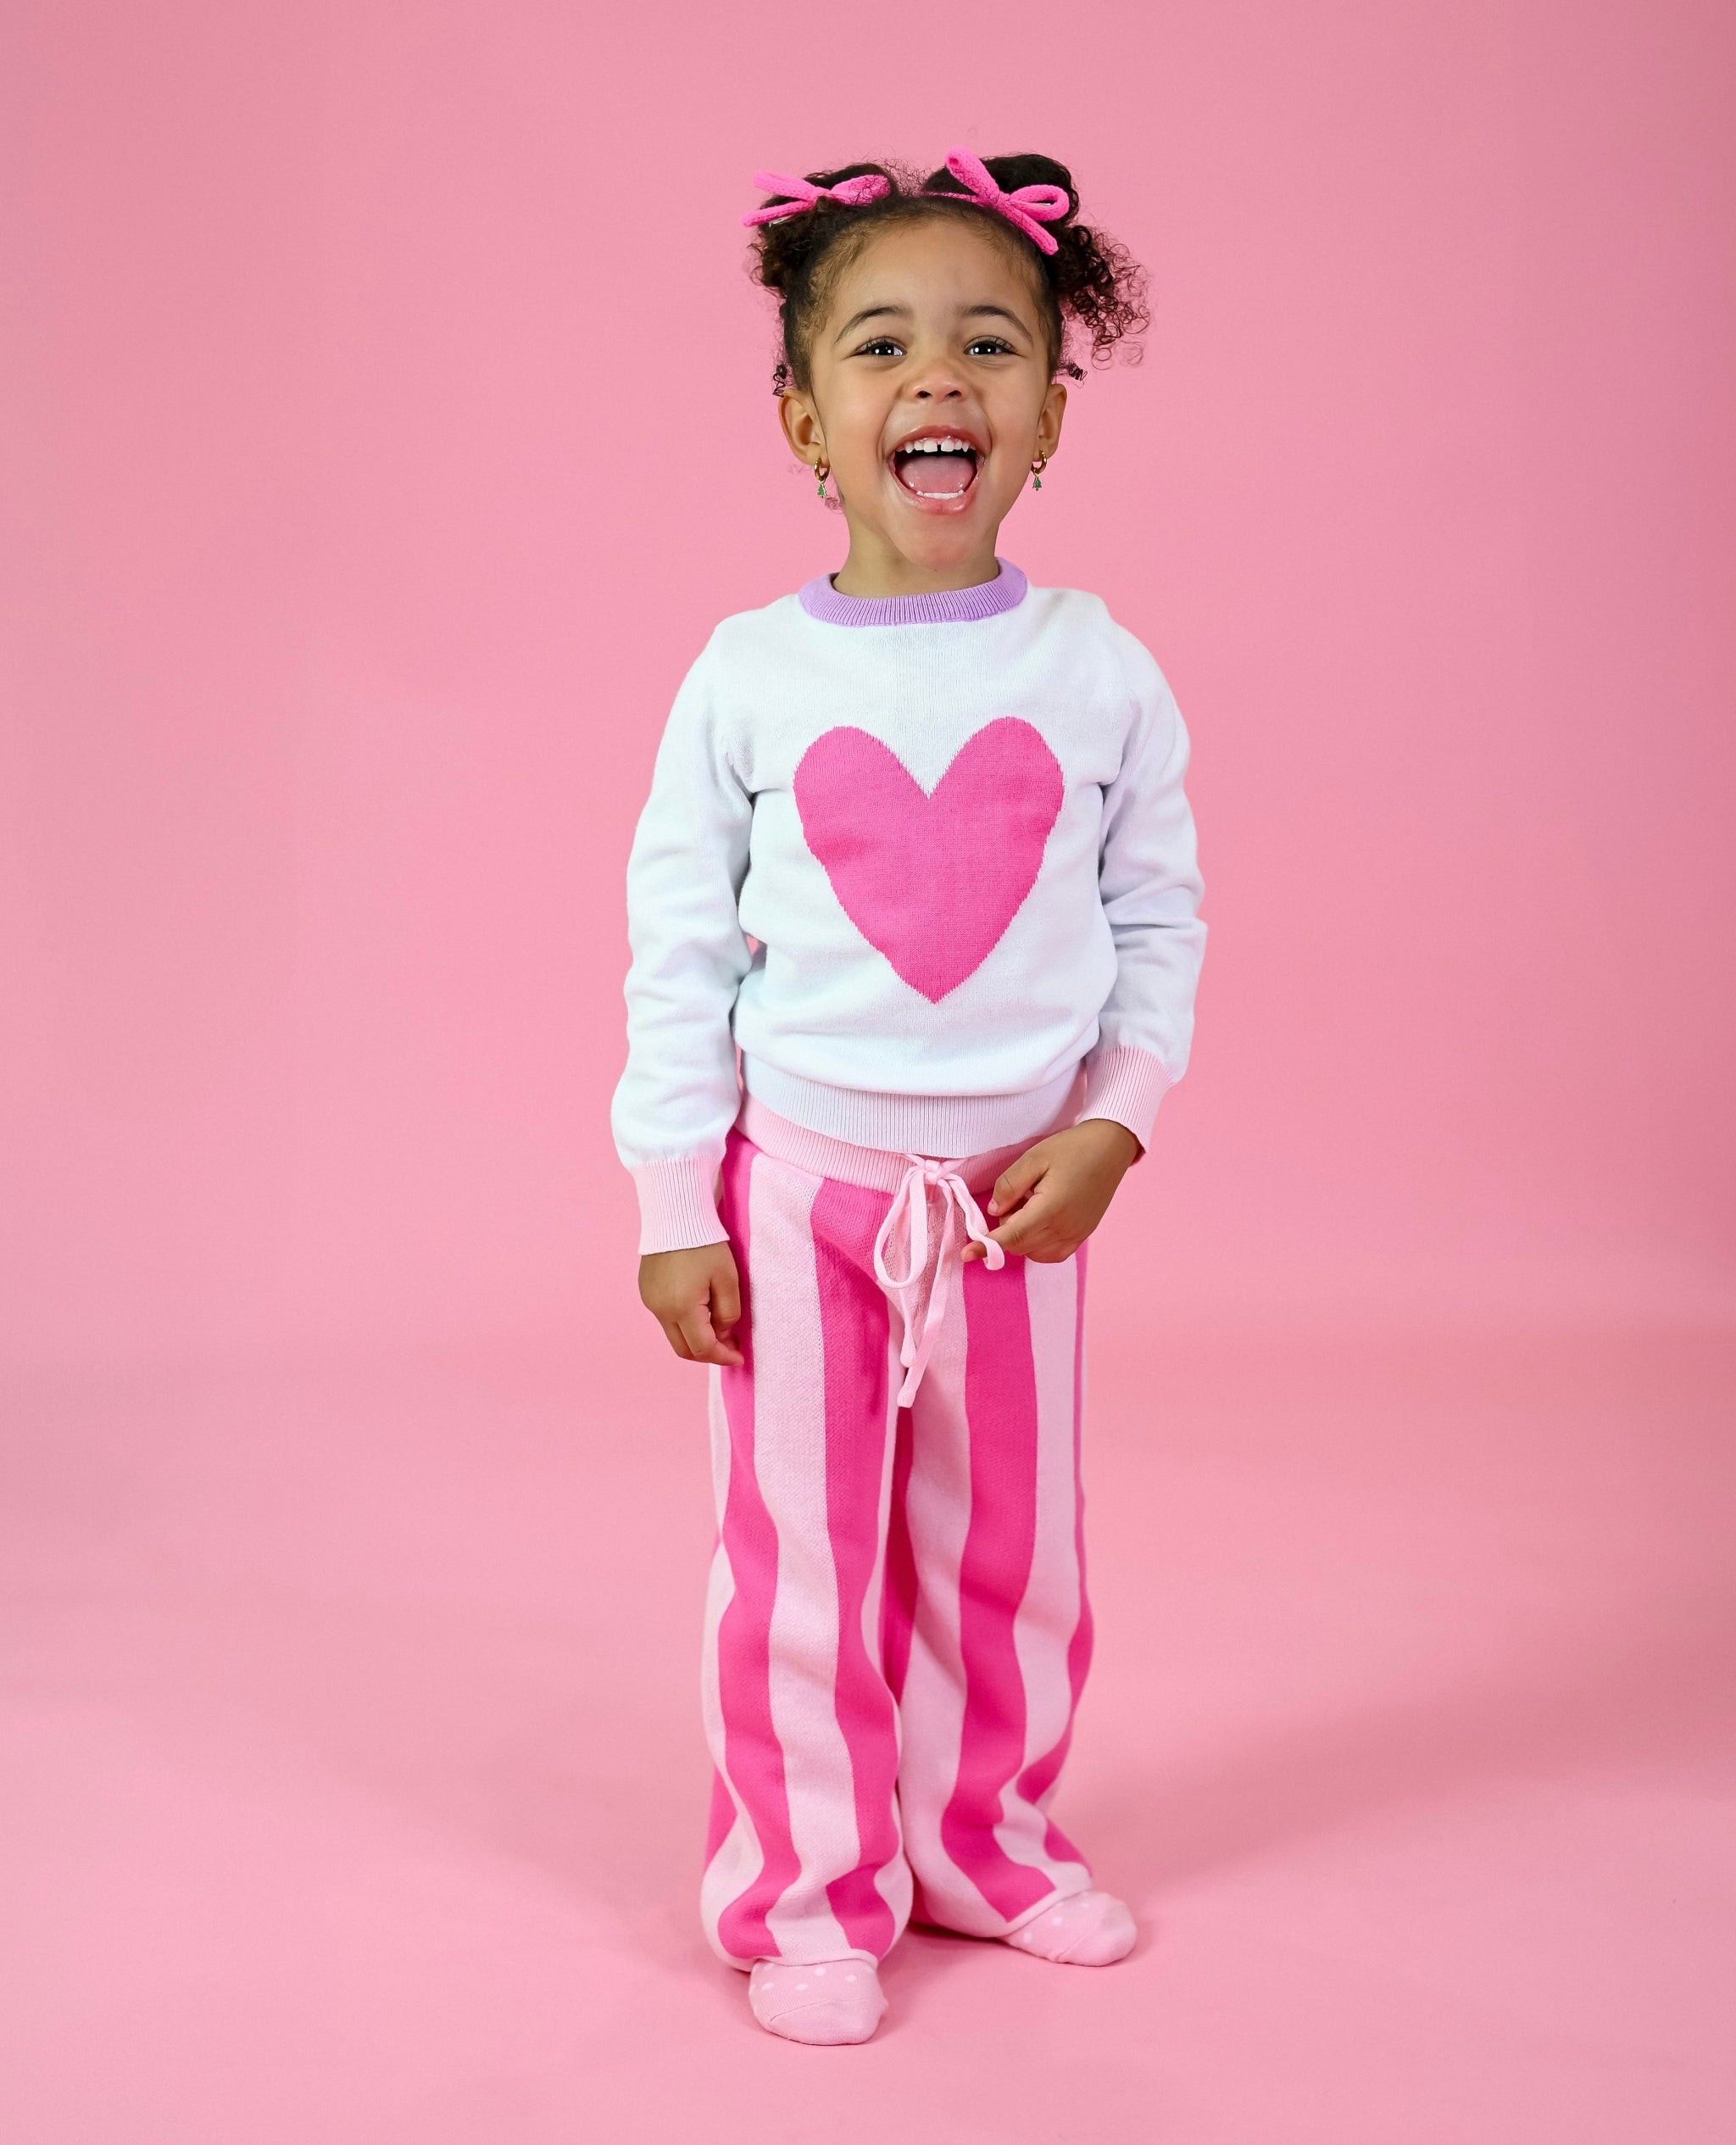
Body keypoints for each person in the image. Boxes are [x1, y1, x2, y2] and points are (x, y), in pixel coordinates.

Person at [610, 147, 1206, 2044]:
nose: (936, 381)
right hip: (798, 1203)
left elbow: (1157, 914)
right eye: (881, 346)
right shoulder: (746, 674)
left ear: (1046, 407)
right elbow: (679, 952)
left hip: (1020, 1206)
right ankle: (803, 1888)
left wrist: (1115, 1118)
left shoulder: (1097, 666)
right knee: (799, 1569)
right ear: (806, 413)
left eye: (987, 345)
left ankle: (986, 1841)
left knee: (1010, 1559)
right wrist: (670, 1205)